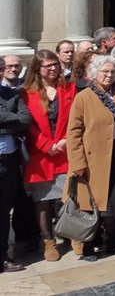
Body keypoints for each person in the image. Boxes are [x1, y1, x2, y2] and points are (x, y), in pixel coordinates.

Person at [64, 55, 115, 260]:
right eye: (104, 71)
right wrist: (77, 162)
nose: (109, 75)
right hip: (91, 160)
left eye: (112, 72)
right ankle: (88, 246)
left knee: (113, 204)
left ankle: (112, 242)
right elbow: (74, 132)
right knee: (89, 205)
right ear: (95, 73)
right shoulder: (84, 97)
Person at [22, 50, 78, 261]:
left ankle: (74, 236)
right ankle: (49, 241)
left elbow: (76, 117)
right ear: (38, 69)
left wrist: (66, 140)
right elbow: (28, 125)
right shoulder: (26, 93)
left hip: (65, 151)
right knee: (43, 201)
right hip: (41, 156)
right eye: (48, 66)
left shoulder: (69, 88)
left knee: (69, 198)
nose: (53, 68)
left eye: (55, 64)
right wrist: (46, 145)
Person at [0, 61, 30, 274]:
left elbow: (25, 119)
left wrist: (5, 123)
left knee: (3, 212)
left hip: (8, 161)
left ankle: (2, 257)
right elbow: (15, 120)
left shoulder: (12, 94)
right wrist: (11, 121)